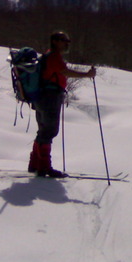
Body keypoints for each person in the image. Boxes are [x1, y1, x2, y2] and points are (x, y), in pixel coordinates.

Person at [28, 31, 96, 177]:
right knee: (50, 131)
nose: (67, 44)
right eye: (65, 41)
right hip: (50, 97)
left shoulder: (48, 55)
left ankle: (35, 164)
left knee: (43, 130)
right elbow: (65, 72)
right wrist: (87, 75)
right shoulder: (53, 57)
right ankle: (44, 167)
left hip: (41, 97)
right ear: (55, 41)